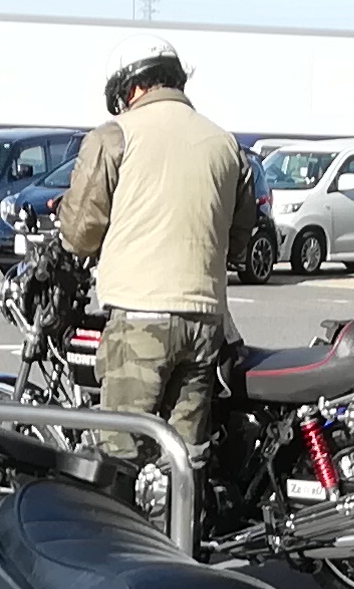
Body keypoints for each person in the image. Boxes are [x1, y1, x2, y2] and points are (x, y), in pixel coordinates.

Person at [58, 51, 251, 455]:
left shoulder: (116, 136)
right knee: (184, 454)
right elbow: (238, 242)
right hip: (205, 318)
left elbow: (80, 234)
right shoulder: (226, 143)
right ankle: (184, 499)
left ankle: (123, 499)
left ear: (132, 88)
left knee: (122, 449)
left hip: (140, 315)